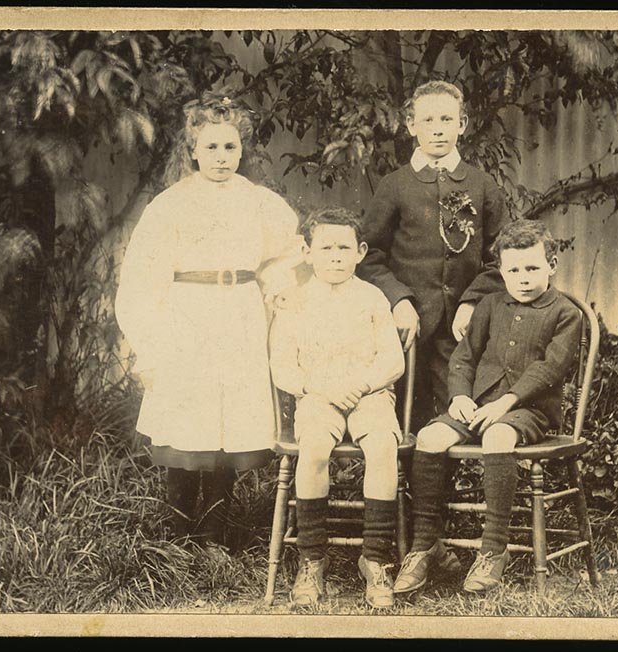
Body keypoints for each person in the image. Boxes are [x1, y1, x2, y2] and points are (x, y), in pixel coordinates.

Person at [115, 91, 302, 553]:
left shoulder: (260, 203)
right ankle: (178, 537)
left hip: (239, 315)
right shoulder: (170, 205)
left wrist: (275, 282)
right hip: (187, 319)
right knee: (186, 425)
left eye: (231, 147)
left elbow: (287, 253)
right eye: (212, 147)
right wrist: (149, 346)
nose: (222, 157)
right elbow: (142, 277)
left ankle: (216, 536)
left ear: (243, 150)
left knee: (227, 430)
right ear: (193, 149)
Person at [392, 219, 582, 594]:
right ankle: (426, 543)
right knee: (430, 436)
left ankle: (494, 548)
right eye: (513, 270)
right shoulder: (490, 305)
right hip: (477, 405)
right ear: (501, 272)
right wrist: (459, 396)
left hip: (530, 410)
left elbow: (551, 368)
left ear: (552, 265)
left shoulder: (565, 313)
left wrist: (508, 402)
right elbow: (463, 358)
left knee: (497, 435)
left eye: (532, 268)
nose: (523, 278)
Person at [269, 207, 405, 609]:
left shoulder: (372, 297)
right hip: (318, 396)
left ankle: (375, 559)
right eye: (325, 247)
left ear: (361, 251)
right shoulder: (294, 301)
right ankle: (312, 558)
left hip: (369, 395)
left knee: (382, 447)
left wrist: (363, 384)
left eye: (344, 247)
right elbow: (282, 365)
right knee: (312, 449)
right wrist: (319, 386)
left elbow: (393, 361)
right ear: (307, 252)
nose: (335, 256)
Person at [357, 80, 511, 431]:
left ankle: (442, 488)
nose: (438, 129)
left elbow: (503, 256)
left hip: (463, 328)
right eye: (427, 120)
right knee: (407, 418)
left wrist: (472, 302)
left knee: (459, 417)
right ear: (411, 125)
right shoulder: (395, 185)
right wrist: (398, 301)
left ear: (462, 124)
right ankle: (407, 487)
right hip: (407, 328)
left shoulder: (482, 185)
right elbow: (369, 256)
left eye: (446, 119)